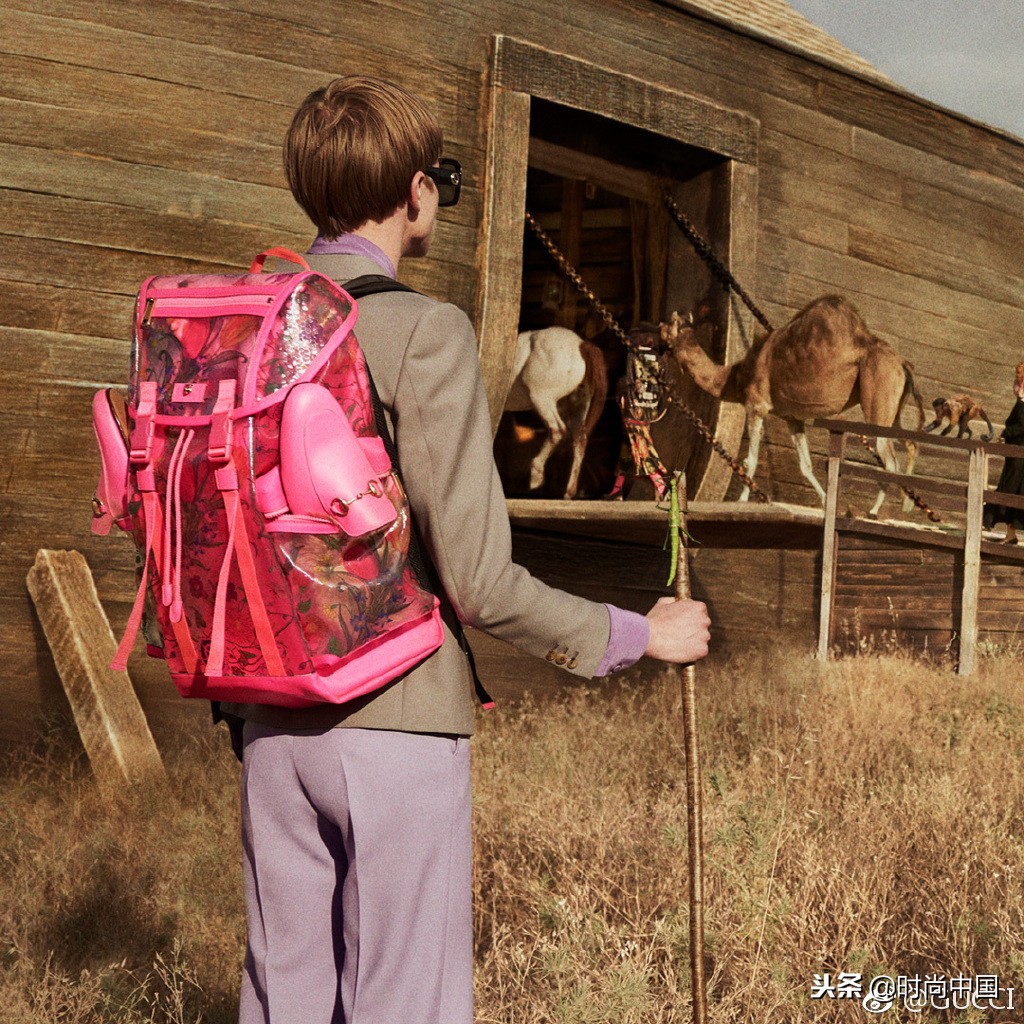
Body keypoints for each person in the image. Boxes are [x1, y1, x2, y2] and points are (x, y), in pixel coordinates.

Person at [219, 75, 711, 1024]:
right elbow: (481, 583)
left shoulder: (247, 326)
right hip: (397, 726)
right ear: (415, 193)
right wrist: (635, 633)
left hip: (269, 723)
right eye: (439, 175)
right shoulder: (426, 332)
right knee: (402, 1003)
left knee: (283, 1004)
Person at [982, 361, 1024, 544]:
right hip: (1016, 455)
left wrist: (1005, 433)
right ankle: (1010, 534)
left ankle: (986, 520)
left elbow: (1022, 426)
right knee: (1013, 492)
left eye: (1017, 383)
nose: (1013, 387)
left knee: (1009, 491)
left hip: (1019, 457)